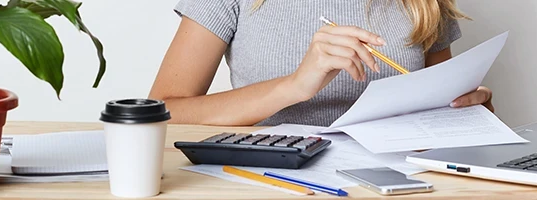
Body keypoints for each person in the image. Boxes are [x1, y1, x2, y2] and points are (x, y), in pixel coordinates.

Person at [148, 0, 494, 127]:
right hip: (266, 184)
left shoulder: (424, 4)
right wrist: (295, 86)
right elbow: (164, 110)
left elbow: (442, 111)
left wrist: (473, 111)